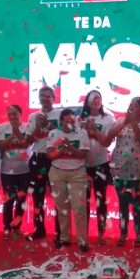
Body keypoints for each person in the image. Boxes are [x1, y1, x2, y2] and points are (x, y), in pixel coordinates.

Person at [106, 97, 140, 247]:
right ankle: (123, 233)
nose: (131, 107)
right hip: (119, 168)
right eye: (130, 105)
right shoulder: (121, 121)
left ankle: (138, 234)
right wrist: (125, 121)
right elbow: (109, 136)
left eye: (135, 106)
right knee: (122, 203)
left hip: (136, 169)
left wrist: (133, 122)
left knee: (136, 203)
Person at [47, 108, 90, 252]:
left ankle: (82, 240)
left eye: (72, 121)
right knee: (62, 208)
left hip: (77, 174)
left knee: (79, 209)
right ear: (60, 121)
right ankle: (65, 238)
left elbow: (83, 155)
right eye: (66, 121)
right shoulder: (54, 133)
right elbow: (50, 155)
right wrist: (61, 149)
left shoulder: (82, 133)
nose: (69, 124)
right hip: (57, 173)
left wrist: (70, 147)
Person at [26, 86, 62, 240]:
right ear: (39, 98)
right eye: (42, 96)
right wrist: (38, 127)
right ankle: (39, 229)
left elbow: (64, 135)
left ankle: (60, 232)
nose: (45, 99)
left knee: (58, 196)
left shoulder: (60, 114)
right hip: (37, 158)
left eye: (48, 96)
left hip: (55, 158)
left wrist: (48, 125)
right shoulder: (33, 116)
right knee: (37, 196)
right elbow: (28, 141)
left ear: (53, 98)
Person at [80, 90, 115, 244]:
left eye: (99, 98)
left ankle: (101, 234)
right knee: (84, 201)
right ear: (88, 102)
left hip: (101, 164)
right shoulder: (80, 118)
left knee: (100, 199)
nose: (97, 101)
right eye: (94, 98)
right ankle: (84, 235)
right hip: (83, 165)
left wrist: (94, 130)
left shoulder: (107, 118)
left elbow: (107, 142)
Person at [0, 105, 30, 239]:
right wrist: (13, 134)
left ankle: (17, 228)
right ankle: (7, 228)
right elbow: (1, 146)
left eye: (15, 114)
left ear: (20, 114)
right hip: (7, 171)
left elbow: (26, 145)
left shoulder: (27, 127)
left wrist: (18, 131)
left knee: (21, 201)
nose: (12, 117)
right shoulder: (2, 127)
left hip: (25, 170)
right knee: (8, 201)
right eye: (10, 114)